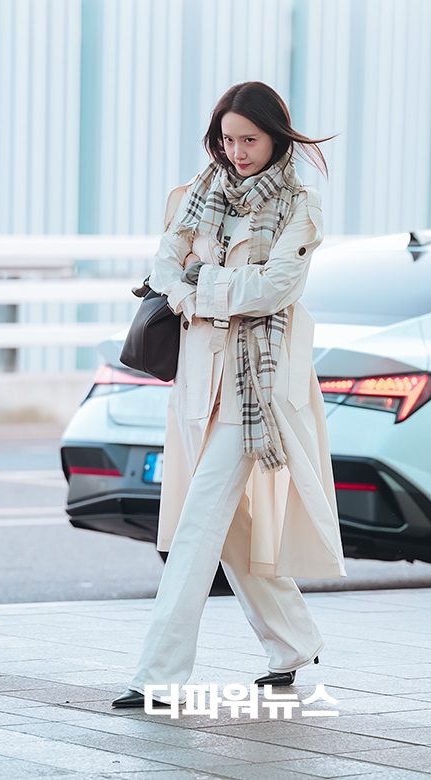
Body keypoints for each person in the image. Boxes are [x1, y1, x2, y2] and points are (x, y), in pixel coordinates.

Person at [112, 81, 345, 709]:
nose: (236, 151)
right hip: (198, 383)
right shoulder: (193, 198)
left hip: (258, 388)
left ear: (276, 137)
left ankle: (157, 676)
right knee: (232, 527)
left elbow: (274, 290)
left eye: (249, 139)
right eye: (227, 138)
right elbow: (162, 271)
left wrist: (200, 286)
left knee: (196, 524)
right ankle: (294, 642)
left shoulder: (301, 204)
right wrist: (208, 287)